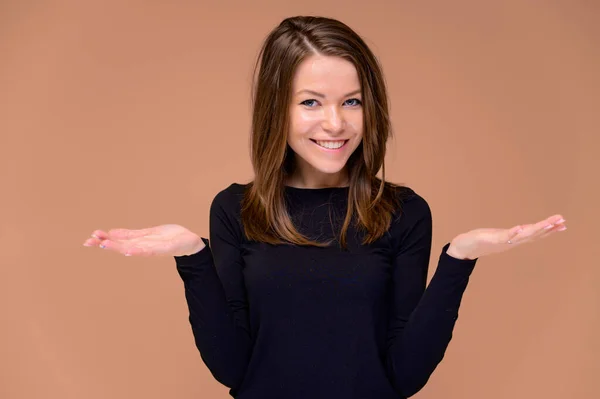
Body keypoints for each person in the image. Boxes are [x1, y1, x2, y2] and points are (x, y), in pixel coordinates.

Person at [83, 16, 567, 399]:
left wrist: (459, 259)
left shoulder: (403, 211)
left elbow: (404, 376)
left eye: (352, 102)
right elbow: (234, 370)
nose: (335, 124)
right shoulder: (236, 209)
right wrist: (192, 256)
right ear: (278, 109)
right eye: (311, 102)